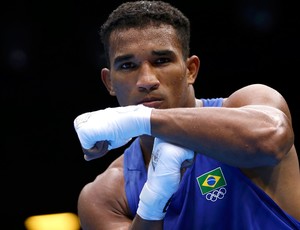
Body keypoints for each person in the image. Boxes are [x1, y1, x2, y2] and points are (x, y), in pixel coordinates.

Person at [73, 1, 300, 229]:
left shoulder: (247, 104)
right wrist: (154, 200)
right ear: (109, 82)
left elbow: (272, 138)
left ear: (190, 70)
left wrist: (140, 119)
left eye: (161, 61)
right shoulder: (107, 194)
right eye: (127, 65)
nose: (146, 81)